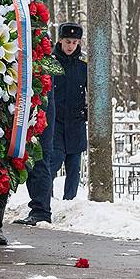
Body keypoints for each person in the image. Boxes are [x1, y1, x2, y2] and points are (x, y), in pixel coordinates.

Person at [49, 22, 87, 200]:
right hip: (55, 122)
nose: (71, 46)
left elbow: (91, 91)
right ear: (60, 40)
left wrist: (87, 112)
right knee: (53, 161)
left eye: (74, 42)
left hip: (75, 123)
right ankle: (45, 199)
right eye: (68, 42)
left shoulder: (83, 66)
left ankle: (69, 201)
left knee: (74, 168)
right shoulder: (51, 63)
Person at [14, 83, 57, 226]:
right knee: (36, 165)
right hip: (37, 115)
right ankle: (39, 209)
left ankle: (41, 211)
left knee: (40, 164)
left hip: (39, 119)